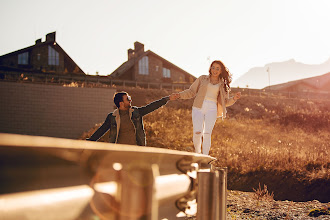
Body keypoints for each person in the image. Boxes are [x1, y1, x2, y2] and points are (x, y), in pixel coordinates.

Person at [172, 60, 241, 155]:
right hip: (198, 107)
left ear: (221, 71)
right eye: (213, 67)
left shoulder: (222, 85)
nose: (215, 70)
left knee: (207, 133)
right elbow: (191, 91)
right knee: (197, 132)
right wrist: (179, 95)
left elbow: (225, 102)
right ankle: (198, 153)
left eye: (218, 68)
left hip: (212, 108)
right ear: (210, 68)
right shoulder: (202, 79)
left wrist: (234, 98)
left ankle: (205, 157)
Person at [87, 92, 178, 146]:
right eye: (128, 99)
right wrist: (90, 141)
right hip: (119, 152)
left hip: (136, 150)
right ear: (121, 103)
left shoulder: (136, 113)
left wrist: (167, 98)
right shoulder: (112, 117)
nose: (130, 100)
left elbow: (151, 107)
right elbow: (101, 130)